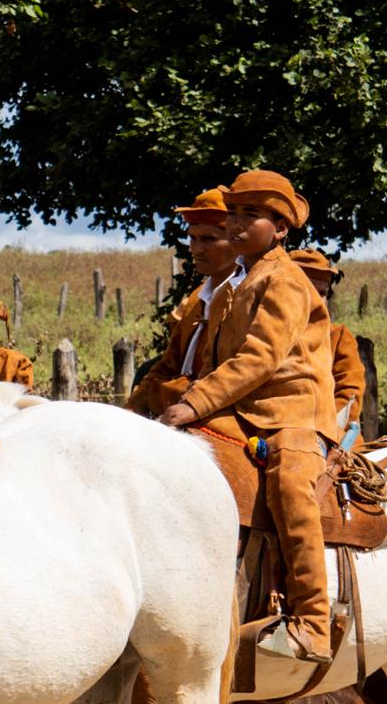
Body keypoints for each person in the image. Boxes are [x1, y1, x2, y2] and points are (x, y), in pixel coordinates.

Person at [161, 169, 339, 664]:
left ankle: (313, 621)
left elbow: (260, 358)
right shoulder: (234, 284)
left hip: (293, 413)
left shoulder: (286, 281)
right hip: (244, 411)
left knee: (290, 484)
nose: (236, 224)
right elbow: (215, 361)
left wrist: (195, 402)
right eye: (234, 214)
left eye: (251, 215)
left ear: (280, 229)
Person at [127, 187, 241, 418]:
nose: (196, 249)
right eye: (192, 238)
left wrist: (182, 397)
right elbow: (167, 364)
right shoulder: (197, 300)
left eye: (209, 239)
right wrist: (133, 408)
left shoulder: (249, 296)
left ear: (236, 240)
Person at [291, 248, 366, 429]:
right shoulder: (264, 334)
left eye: (322, 293)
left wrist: (320, 430)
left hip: (330, 434)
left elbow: (349, 394)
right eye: (307, 290)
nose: (316, 300)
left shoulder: (338, 337)